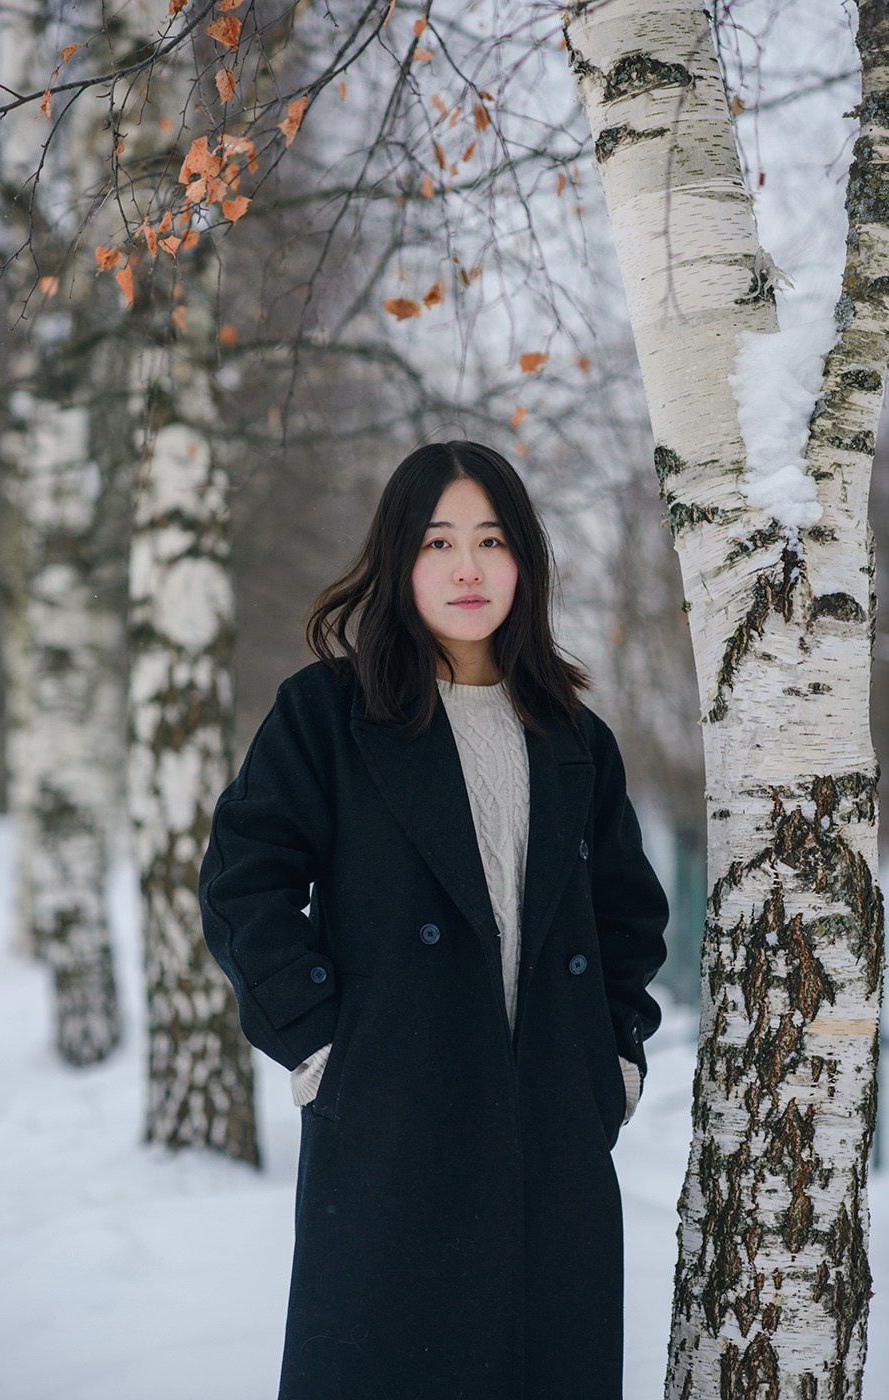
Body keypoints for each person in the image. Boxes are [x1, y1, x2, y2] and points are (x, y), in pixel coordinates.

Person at [198, 439, 669, 1400]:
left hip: (552, 1142)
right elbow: (244, 881)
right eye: (437, 541)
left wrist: (610, 1058)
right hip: (390, 1131)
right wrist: (321, 1043)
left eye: (491, 541)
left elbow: (628, 915)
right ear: (397, 560)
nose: (467, 567)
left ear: (524, 563)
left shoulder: (576, 735)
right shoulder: (326, 714)